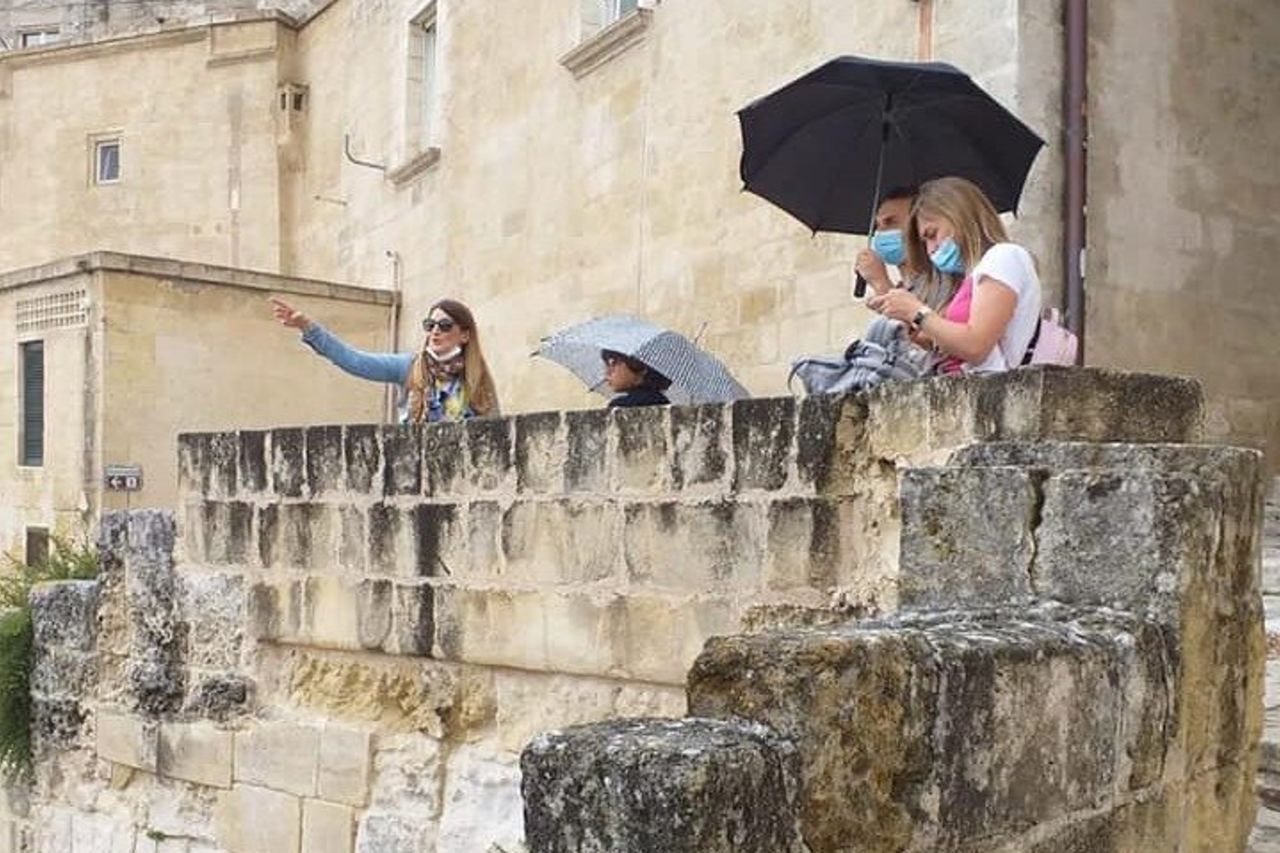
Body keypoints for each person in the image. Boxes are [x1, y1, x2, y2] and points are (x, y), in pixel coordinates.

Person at [868, 176, 1042, 374]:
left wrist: (917, 313)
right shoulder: (972, 276)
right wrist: (925, 336)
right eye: (925, 243)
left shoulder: (1004, 256)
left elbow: (976, 346)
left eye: (932, 234)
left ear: (958, 215)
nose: (931, 249)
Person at [269, 297, 499, 422]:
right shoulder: (410, 367)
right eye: (430, 325)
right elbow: (354, 361)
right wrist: (308, 327)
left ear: (465, 335)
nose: (435, 331)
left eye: (445, 325)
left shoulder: (477, 378)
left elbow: (496, 429)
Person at [853, 185, 957, 312]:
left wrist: (881, 284)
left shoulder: (945, 281)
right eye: (877, 226)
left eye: (890, 222)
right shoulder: (904, 286)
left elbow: (931, 329)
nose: (880, 232)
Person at [601, 350, 671, 408]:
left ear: (640, 366)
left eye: (613, 363)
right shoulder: (663, 401)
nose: (608, 372)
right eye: (607, 365)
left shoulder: (621, 406)